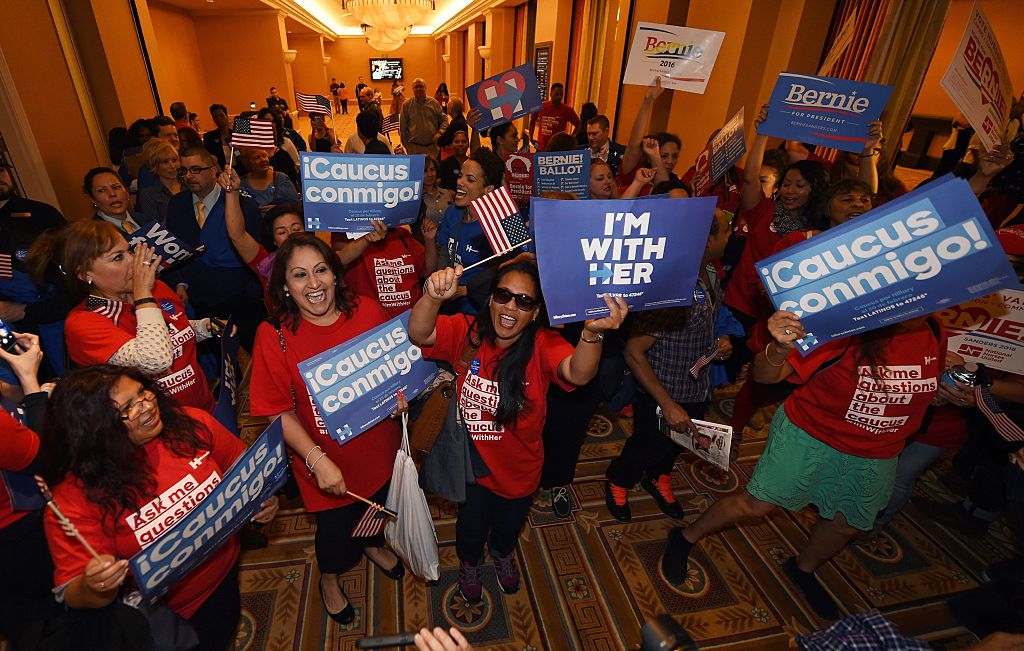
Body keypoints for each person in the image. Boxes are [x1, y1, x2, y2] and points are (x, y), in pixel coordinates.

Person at [662, 310, 945, 620]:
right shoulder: (845, 327)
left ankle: (803, 568)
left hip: (879, 450)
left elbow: (928, 384)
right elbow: (765, 375)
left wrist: (948, 393)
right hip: (811, 436)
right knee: (755, 506)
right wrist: (780, 347)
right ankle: (686, 536)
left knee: (846, 522)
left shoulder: (933, 328)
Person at [410, 257, 627, 603]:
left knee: (508, 530)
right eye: (503, 295)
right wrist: (433, 297)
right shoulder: (471, 333)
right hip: (472, 469)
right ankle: (470, 563)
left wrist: (592, 333)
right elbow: (419, 333)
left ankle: (501, 554)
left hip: (520, 472)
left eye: (524, 301)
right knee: (470, 529)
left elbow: (578, 373)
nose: (510, 306)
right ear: (491, 299)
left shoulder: (543, 344)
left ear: (536, 312)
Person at [41, 364, 278, 650]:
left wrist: (262, 500)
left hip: (226, 575)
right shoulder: (77, 496)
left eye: (143, 392)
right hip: (166, 620)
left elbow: (242, 467)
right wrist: (96, 585)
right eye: (128, 408)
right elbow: (74, 593)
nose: (147, 406)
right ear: (95, 430)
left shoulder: (190, 423)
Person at [249, 233, 408, 625]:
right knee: (335, 535)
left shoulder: (369, 311)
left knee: (378, 509)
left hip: (381, 448)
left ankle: (372, 544)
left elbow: (397, 370)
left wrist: (402, 394)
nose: (314, 284)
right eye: (300, 275)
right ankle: (331, 579)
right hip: (323, 459)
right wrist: (317, 460)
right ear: (285, 286)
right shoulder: (274, 335)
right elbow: (275, 410)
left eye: (321, 270)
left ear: (337, 274)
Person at [605, 209, 732, 522]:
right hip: (662, 391)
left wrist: (723, 339)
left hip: (697, 386)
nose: (732, 236)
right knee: (647, 442)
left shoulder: (711, 273)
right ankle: (619, 479)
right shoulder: (676, 292)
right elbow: (634, 352)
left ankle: (659, 475)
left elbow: (710, 319)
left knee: (680, 441)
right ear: (707, 241)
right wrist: (668, 404)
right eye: (726, 231)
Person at [29, 219, 218, 412]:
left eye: (128, 250)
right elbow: (155, 360)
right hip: (157, 427)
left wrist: (205, 327)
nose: (133, 260)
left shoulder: (157, 288)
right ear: (85, 274)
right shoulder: (83, 322)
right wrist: (143, 295)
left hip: (204, 406)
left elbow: (174, 329)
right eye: (118, 258)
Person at [218, 167, 387, 305]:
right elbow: (237, 235)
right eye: (282, 232)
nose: (291, 235)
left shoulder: (320, 255)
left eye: (296, 228)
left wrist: (367, 238)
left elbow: (343, 256)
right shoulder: (265, 263)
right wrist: (232, 194)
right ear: (274, 241)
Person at [164, 147, 266, 350]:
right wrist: (180, 283)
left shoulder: (242, 203)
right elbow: (175, 249)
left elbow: (258, 251)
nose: (189, 176)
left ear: (213, 170)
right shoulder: (177, 205)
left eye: (196, 169)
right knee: (222, 360)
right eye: (184, 171)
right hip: (201, 299)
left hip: (241, 297)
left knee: (257, 350)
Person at [0, 331, 61, 645]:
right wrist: (32, 385)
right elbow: (43, 457)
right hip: (17, 530)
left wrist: (30, 388)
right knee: (43, 621)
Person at [0, 163, 69, 377]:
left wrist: (25, 311)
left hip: (56, 326)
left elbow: (77, 279)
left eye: (1, 169)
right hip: (8, 340)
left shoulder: (42, 215)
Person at [426, 148, 512, 314]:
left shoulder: (498, 225)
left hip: (477, 311)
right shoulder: (452, 213)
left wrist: (464, 291)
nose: (460, 182)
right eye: (460, 176)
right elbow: (444, 254)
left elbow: (506, 275)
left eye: (470, 179)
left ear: (488, 189)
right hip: (447, 307)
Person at [85, 167, 148, 235]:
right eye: (102, 190)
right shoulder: (92, 235)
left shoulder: (144, 219)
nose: (112, 194)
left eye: (116, 187)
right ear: (93, 199)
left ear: (127, 192)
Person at [135, 138, 181, 223]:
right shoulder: (149, 194)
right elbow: (154, 228)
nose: (172, 166)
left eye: (174, 160)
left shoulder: (188, 184)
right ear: (154, 166)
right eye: (165, 162)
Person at [401, 77, 448, 157]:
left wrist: (440, 132)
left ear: (425, 88)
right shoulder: (406, 105)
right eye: (416, 87)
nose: (418, 89)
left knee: (432, 169)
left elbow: (444, 120)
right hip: (414, 148)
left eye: (421, 86)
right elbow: (402, 129)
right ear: (412, 89)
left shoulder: (434, 103)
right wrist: (408, 148)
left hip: (432, 148)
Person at [255, 108, 300, 188]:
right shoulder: (256, 148)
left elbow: (297, 165)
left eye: (273, 121)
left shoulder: (286, 143)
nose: (270, 124)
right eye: (266, 121)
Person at [528, 83, 580, 151]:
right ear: (551, 93)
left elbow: (578, 124)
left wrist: (572, 137)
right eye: (557, 94)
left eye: (561, 94)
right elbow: (532, 120)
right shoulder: (541, 106)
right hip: (541, 148)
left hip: (558, 148)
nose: (559, 97)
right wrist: (531, 137)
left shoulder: (567, 110)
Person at [589, 159, 653, 200]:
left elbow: (620, 208)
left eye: (609, 177)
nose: (608, 181)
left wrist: (639, 181)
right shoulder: (582, 210)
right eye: (600, 179)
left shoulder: (617, 202)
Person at [420, 154, 454, 228]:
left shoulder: (447, 193)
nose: (429, 174)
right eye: (424, 171)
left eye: (432, 170)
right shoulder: (416, 198)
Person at [438, 128, 469, 192]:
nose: (460, 144)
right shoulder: (444, 164)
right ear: (452, 144)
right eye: (456, 142)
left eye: (464, 141)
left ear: (468, 144)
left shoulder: (473, 164)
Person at [203, 103, 232, 170]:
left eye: (221, 115)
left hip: (240, 170)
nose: (219, 118)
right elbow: (210, 158)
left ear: (226, 116)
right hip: (221, 171)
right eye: (216, 117)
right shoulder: (209, 137)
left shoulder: (236, 134)